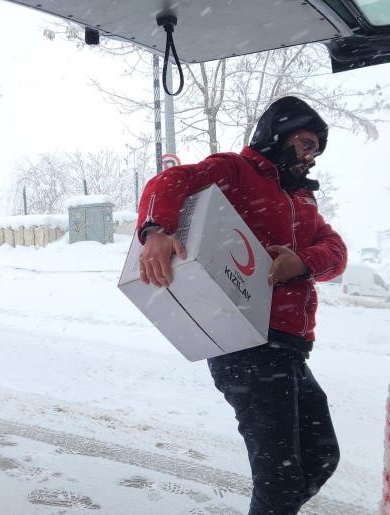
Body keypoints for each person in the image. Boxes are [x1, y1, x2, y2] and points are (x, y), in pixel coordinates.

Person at [136, 96, 347, 515]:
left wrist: (302, 261)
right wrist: (156, 230)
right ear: (278, 135)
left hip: (287, 348)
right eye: (306, 144)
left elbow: (335, 251)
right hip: (244, 344)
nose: (311, 158)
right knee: (280, 479)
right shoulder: (236, 170)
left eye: (316, 151)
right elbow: (170, 182)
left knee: (321, 455)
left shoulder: (302, 200)